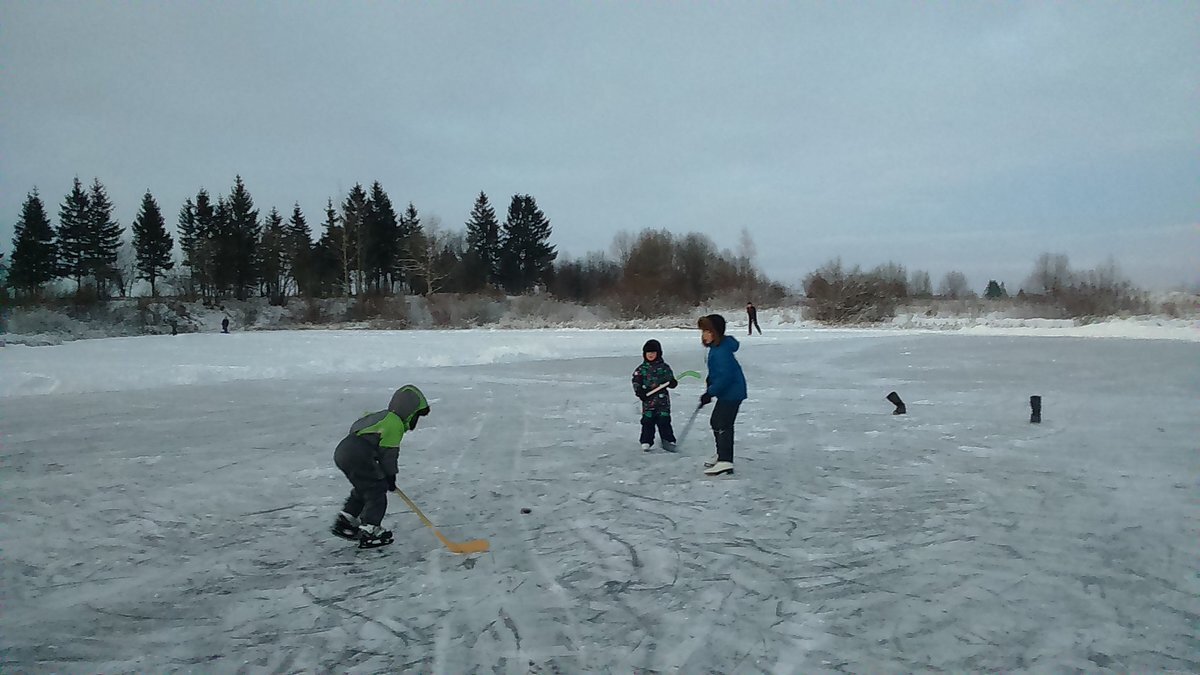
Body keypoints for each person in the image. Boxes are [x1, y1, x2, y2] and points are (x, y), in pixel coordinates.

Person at [331, 384, 431, 548]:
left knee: (365, 487)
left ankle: (346, 519)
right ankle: (370, 528)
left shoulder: (380, 417)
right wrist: (390, 476)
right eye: (416, 416)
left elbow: (358, 428)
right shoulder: (394, 424)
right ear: (410, 412)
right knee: (377, 490)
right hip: (358, 453)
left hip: (344, 450)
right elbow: (389, 454)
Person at [698, 314, 747, 476]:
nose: (704, 335)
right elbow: (718, 373)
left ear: (716, 332)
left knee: (723, 424)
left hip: (732, 392)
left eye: (707, 331)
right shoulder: (717, 348)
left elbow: (725, 377)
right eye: (703, 331)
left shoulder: (721, 352)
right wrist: (710, 380)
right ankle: (722, 454)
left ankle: (725, 460)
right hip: (729, 392)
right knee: (717, 421)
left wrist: (710, 392)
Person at [632, 339, 678, 452]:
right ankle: (646, 440)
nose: (651, 355)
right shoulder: (641, 369)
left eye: (653, 352)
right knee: (647, 421)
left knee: (664, 420)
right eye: (648, 353)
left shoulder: (664, 367)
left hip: (662, 401)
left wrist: (672, 383)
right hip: (648, 401)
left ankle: (668, 440)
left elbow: (670, 380)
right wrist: (640, 392)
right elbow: (636, 382)